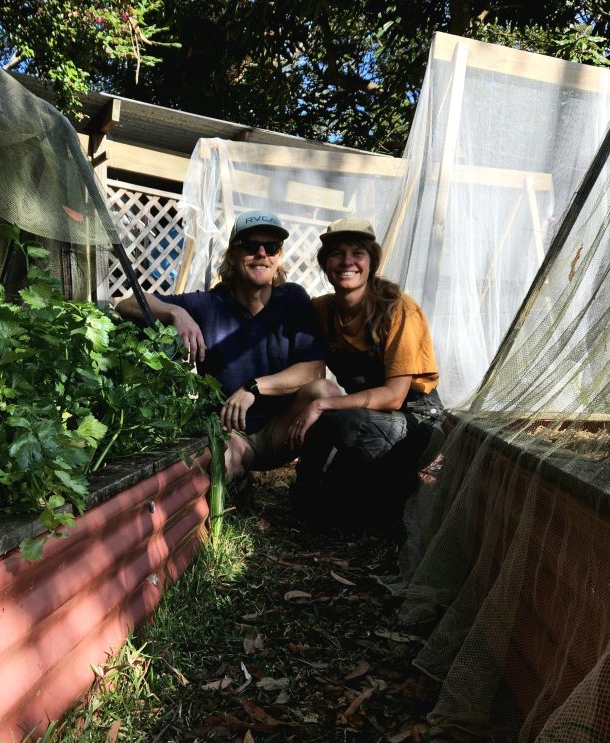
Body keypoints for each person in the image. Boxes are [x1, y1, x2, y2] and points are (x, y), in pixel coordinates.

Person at [116, 210, 328, 478]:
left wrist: (254, 387)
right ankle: (232, 484)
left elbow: (314, 371)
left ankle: (313, 491)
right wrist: (175, 313)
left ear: (279, 256)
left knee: (326, 392)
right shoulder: (207, 305)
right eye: (251, 246)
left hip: (281, 430)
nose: (262, 253)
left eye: (271, 247)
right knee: (222, 464)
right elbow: (127, 303)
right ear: (233, 254)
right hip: (232, 433)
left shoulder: (293, 299)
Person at [287, 216, 442, 527]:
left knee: (343, 421)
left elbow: (394, 396)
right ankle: (309, 500)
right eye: (337, 253)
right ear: (325, 263)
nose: (347, 262)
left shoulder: (399, 310)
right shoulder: (321, 310)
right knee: (324, 510)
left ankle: (400, 490)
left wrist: (321, 403)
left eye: (357, 252)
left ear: (371, 261)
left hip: (417, 419)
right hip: (366, 419)